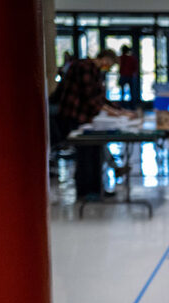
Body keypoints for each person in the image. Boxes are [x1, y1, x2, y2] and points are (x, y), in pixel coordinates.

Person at [54, 49, 134, 197]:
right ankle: (86, 192)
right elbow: (90, 98)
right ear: (105, 59)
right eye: (109, 65)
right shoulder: (84, 67)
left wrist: (119, 110)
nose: (108, 68)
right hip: (75, 116)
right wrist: (113, 112)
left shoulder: (94, 71)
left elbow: (100, 97)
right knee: (85, 155)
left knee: (95, 153)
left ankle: (97, 190)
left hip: (85, 118)